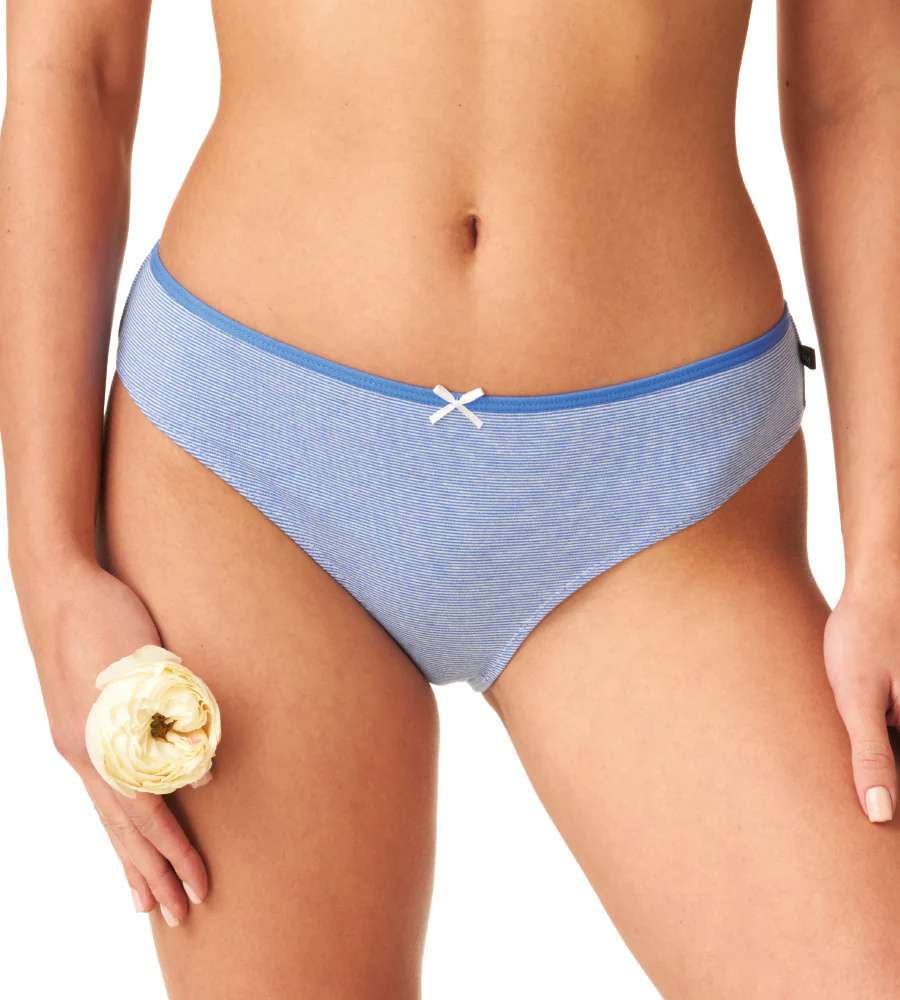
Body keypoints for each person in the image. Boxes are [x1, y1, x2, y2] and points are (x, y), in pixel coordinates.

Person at [2, 2, 899, 997]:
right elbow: (69, 67)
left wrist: (888, 555)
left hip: (665, 488)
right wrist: (50, 568)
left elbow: (862, 90)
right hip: (247, 467)